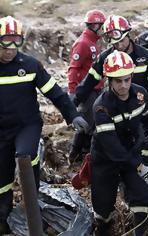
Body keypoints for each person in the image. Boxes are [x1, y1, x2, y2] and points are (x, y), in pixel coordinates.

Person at [0, 16, 88, 234]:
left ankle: (33, 212)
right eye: (6, 42)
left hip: (26, 126)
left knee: (26, 156)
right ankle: (3, 218)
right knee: (2, 177)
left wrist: (73, 115)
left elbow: (54, 92)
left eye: (16, 42)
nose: (11, 49)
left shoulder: (29, 65)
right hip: (1, 130)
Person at [74, 15, 148, 177]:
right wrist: (72, 106)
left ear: (129, 35)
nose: (118, 46)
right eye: (114, 44)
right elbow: (87, 83)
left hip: (141, 111)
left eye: (121, 41)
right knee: (119, 151)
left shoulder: (146, 57)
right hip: (116, 113)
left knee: (147, 150)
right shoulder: (105, 58)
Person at [91, 50, 148, 235]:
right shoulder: (102, 107)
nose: (123, 85)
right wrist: (140, 166)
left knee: (142, 199)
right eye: (118, 81)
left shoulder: (140, 94)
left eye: (127, 79)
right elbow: (113, 148)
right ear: (109, 80)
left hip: (131, 153)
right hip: (106, 159)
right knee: (103, 208)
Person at [67, 9, 106, 163]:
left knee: (94, 122)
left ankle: (84, 154)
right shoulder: (83, 43)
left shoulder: (93, 42)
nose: (103, 29)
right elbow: (73, 68)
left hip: (97, 90)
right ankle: (76, 154)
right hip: (87, 91)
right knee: (86, 123)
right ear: (94, 25)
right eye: (101, 25)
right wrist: (72, 91)